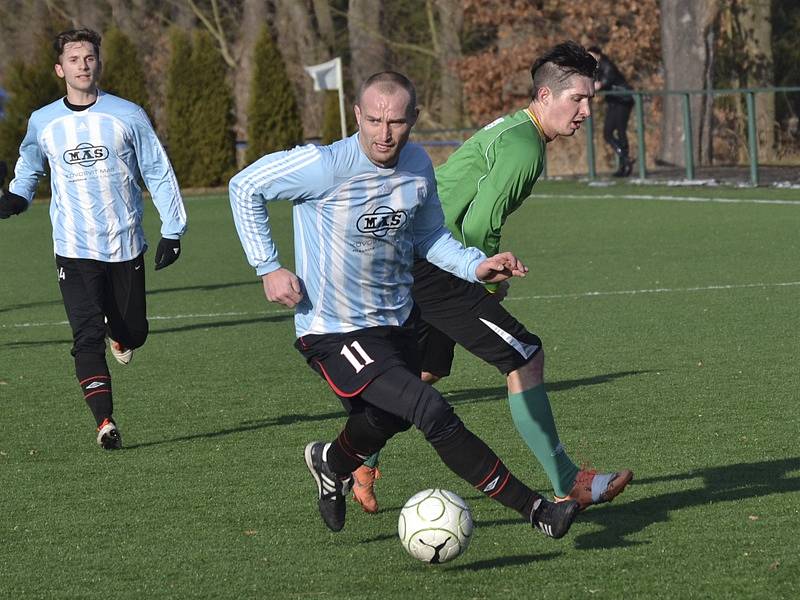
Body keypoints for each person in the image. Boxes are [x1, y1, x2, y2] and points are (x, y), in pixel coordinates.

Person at [229, 71, 580, 537]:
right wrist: (268, 266)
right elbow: (244, 187)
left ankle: (330, 462)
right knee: (429, 409)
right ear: (357, 115)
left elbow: (429, 236)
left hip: (397, 322)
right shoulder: (324, 165)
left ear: (413, 118)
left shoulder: (416, 166)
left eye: (396, 121)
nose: (384, 133)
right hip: (334, 330)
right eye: (373, 120)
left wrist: (476, 266)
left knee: (386, 418)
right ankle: (538, 511)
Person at [351, 42, 633, 515]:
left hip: (411, 250)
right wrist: (482, 274)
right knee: (525, 356)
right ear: (545, 95)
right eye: (577, 100)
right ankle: (569, 483)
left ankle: (358, 457)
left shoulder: (517, 130)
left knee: (424, 371)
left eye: (590, 101)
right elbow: (479, 223)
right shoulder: (525, 147)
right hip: (431, 261)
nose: (586, 111)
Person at [0, 28, 187, 449]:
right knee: (85, 336)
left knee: (134, 332)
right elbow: (30, 163)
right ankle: (105, 422)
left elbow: (157, 170)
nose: (82, 66)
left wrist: (173, 230)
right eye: (73, 59)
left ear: (98, 63)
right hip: (72, 247)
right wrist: (16, 195)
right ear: (59, 68)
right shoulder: (44, 121)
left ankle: (121, 334)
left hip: (124, 244)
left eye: (89, 58)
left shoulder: (127, 114)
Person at [587, 46, 635, 177]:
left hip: (623, 100)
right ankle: (625, 160)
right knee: (607, 133)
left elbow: (607, 79)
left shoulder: (606, 64)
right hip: (613, 102)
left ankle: (625, 164)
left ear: (598, 55)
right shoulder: (594, 68)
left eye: (591, 55)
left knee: (620, 131)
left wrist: (599, 84)